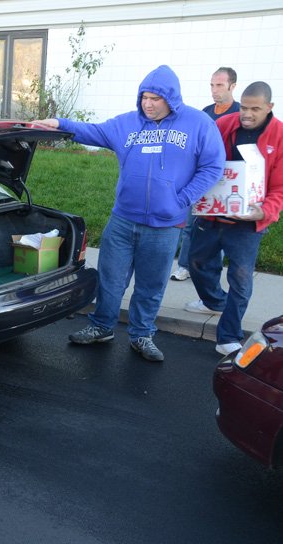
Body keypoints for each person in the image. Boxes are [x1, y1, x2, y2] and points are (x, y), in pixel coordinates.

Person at [32, 64, 225, 362]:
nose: (148, 104)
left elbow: (213, 165)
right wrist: (57, 123)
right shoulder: (127, 125)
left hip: (165, 225)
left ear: (171, 99)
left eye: (155, 99)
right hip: (123, 220)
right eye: (144, 97)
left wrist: (183, 198)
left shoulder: (198, 123)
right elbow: (91, 130)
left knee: (151, 285)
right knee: (111, 279)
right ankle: (101, 326)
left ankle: (142, 334)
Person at [185, 81, 282, 356]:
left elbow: (280, 187)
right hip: (212, 214)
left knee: (240, 280)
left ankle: (228, 334)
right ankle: (215, 301)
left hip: (248, 223)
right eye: (245, 107)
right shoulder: (224, 124)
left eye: (255, 109)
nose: (247, 114)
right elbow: (202, 159)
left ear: (269, 107)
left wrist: (264, 210)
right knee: (196, 263)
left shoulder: (280, 136)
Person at [172, 67, 241, 281]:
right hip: (200, 177)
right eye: (212, 85)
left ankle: (209, 272)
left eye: (219, 85)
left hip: (226, 179)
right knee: (191, 224)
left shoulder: (239, 113)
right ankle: (185, 266)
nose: (214, 90)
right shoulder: (206, 112)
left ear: (232, 86)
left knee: (217, 228)